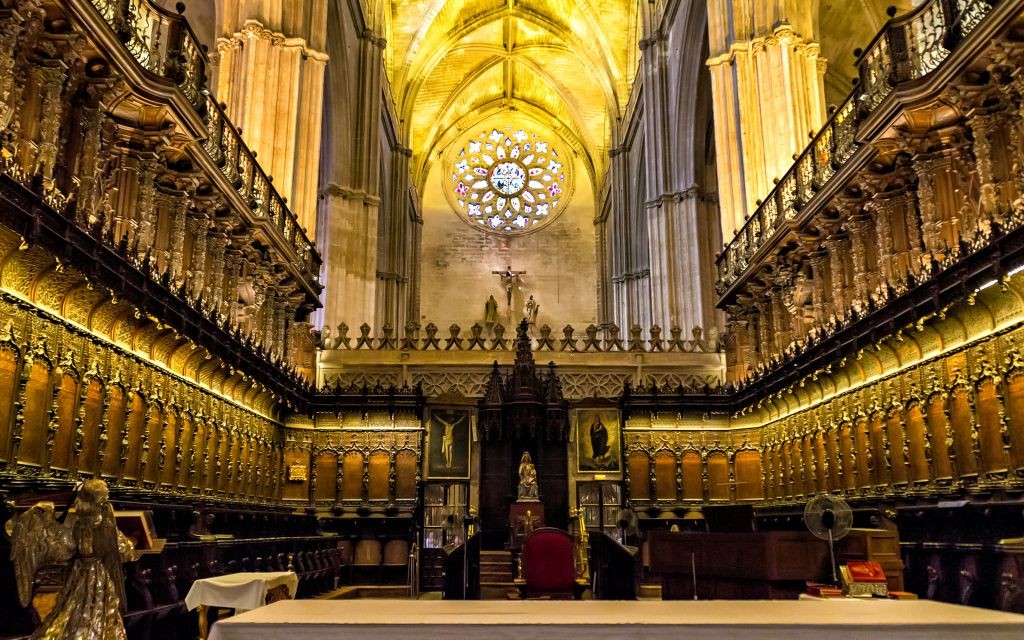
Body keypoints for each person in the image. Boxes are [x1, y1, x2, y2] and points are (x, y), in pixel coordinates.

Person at [11, 479, 138, 640]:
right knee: (97, 610)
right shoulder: (103, 524)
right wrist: (133, 542)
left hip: (79, 572)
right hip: (98, 573)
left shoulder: (78, 524)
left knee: (73, 607)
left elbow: (69, 549)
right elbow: (123, 551)